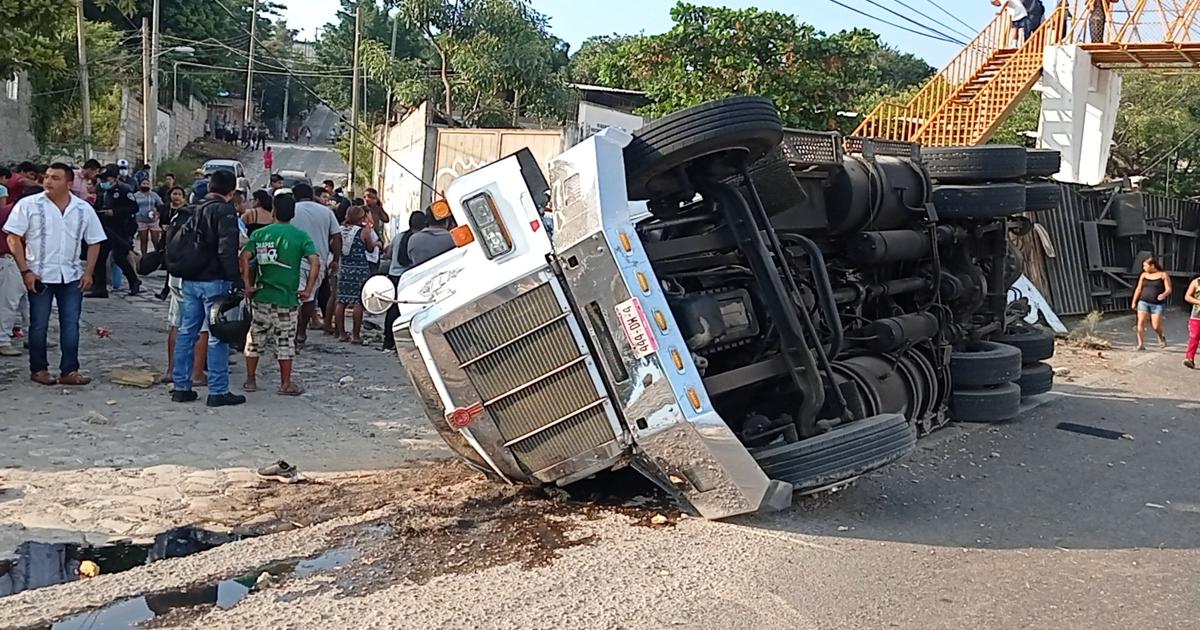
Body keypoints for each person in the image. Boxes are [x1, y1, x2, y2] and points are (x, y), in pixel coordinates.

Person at [3, 163, 107, 385]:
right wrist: (25, 270)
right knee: (38, 324)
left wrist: (88, 272)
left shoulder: (82, 209)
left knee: (71, 324)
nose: (48, 181)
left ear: (69, 183)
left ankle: (69, 370)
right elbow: (13, 237)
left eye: (56, 178)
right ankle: (38, 369)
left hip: (70, 275)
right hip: (39, 275)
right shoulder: (29, 205)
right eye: (47, 177)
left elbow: (95, 240)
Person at [167, 169, 246, 407]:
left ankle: (181, 386)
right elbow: (226, 249)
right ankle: (218, 391)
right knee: (217, 335)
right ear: (231, 192)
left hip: (189, 280)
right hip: (214, 281)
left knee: (187, 332)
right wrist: (236, 280)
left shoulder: (192, 208)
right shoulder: (224, 211)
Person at [240, 193, 320, 395]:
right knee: (285, 341)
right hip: (287, 298)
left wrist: (248, 285)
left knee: (255, 338)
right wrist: (308, 289)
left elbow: (244, 256)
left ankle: (250, 380)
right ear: (292, 214)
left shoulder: (260, 234)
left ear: (274, 211)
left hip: (261, 295)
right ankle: (285, 383)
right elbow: (315, 262)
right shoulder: (300, 236)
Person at [163, 186, 209, 386]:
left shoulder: (179, 217)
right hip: (197, 278)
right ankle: (197, 373)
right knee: (201, 327)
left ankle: (172, 370)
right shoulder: (208, 218)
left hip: (176, 276)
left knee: (176, 323)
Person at [290, 183, 341, 345]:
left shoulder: (292, 210)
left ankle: (291, 330)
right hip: (319, 261)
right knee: (309, 297)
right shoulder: (326, 211)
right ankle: (301, 331)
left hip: (293, 260)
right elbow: (337, 236)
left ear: (294, 196)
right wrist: (336, 259)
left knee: (293, 297)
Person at [91, 165, 142, 297]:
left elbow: (133, 208)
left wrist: (114, 212)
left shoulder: (125, 190)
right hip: (105, 227)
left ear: (115, 178)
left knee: (120, 257)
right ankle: (100, 288)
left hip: (121, 228)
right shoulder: (101, 190)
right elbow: (97, 205)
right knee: (99, 257)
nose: (104, 182)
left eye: (106, 179)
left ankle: (134, 280)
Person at [382, 211, 427, 351]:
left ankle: (388, 340)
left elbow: (388, 253)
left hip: (393, 276)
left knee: (392, 309)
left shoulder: (399, 236)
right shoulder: (419, 238)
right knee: (407, 310)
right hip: (408, 278)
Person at [334, 206, 378, 344]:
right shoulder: (363, 231)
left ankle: (341, 333)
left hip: (344, 268)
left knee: (341, 301)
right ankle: (356, 335)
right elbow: (369, 248)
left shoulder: (340, 230)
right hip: (360, 269)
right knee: (359, 302)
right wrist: (377, 244)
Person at [0, 194, 23, 356]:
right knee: (9, 302)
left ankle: (34, 335)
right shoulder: (14, 213)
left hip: (17, 260)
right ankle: (2, 340)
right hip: (11, 259)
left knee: (27, 302)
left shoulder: (7, 211)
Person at [1132, 257, 1172, 351]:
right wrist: (1134, 301)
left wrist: (1164, 294)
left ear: (1152, 266)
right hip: (1143, 301)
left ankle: (1161, 336)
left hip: (1157, 304)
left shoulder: (1163, 275)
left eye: (1145, 266)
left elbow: (1169, 289)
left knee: (1156, 326)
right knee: (1141, 322)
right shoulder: (1143, 275)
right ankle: (1141, 344)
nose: (1144, 268)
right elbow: (1138, 288)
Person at [134, 177, 165, 256]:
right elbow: (132, 206)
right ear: (140, 185)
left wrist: (157, 213)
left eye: (147, 184)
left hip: (153, 221)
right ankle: (144, 257)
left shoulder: (154, 194)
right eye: (144, 184)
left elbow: (161, 204)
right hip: (141, 220)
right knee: (143, 240)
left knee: (155, 240)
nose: (145, 185)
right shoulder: (136, 195)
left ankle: (157, 257)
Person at [1184, 277, 1200, 369]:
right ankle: (1189, 358)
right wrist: (1198, 301)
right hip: (1197, 315)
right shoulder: (1196, 282)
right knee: (1194, 336)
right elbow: (1187, 297)